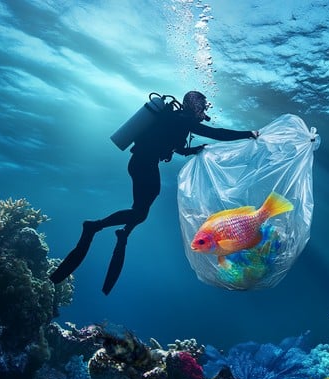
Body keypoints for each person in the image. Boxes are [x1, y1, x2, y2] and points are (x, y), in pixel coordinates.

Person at [50, 91, 258, 294]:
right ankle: (94, 226)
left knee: (142, 207)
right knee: (141, 210)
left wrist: (192, 150)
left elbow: (176, 147)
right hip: (143, 164)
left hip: (142, 162)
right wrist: (248, 134)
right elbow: (217, 133)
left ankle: (123, 232)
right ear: (195, 106)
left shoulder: (175, 119)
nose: (204, 111)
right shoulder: (184, 120)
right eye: (202, 107)